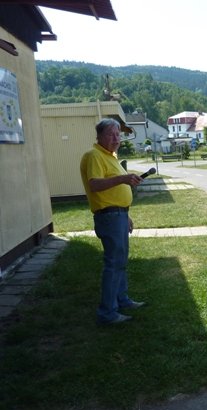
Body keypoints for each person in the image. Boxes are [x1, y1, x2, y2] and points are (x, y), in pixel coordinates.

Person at [79, 118, 146, 325]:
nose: (116, 138)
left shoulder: (111, 157)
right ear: (99, 136)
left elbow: (115, 190)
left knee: (120, 262)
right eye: (110, 134)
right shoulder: (94, 156)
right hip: (109, 217)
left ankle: (121, 299)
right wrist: (123, 179)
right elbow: (95, 184)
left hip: (118, 215)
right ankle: (107, 313)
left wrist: (126, 215)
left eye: (118, 134)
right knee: (114, 263)